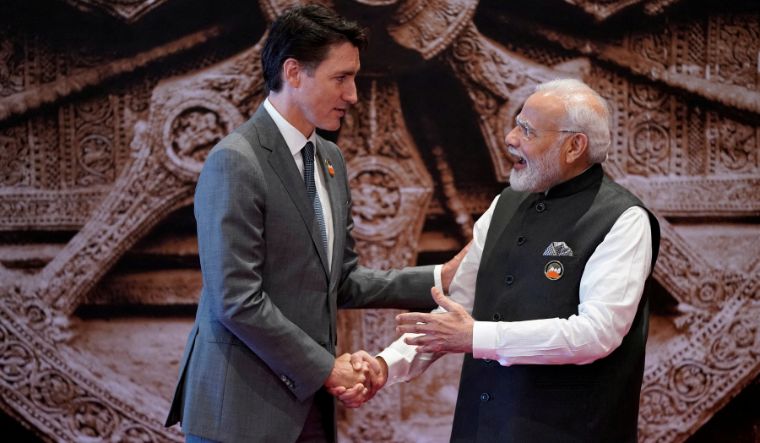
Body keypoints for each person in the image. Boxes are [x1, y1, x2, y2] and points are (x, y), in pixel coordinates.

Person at [164, 5, 463, 442]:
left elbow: (340, 280)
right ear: (294, 72)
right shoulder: (235, 161)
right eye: (341, 78)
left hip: (308, 411)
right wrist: (327, 368)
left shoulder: (330, 160)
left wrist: (441, 277)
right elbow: (236, 299)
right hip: (240, 416)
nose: (353, 95)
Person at [342, 79, 661, 442]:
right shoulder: (504, 205)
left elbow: (596, 334)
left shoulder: (623, 219)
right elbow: (456, 309)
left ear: (574, 146)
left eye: (527, 130)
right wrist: (386, 365)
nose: (510, 138)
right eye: (516, 123)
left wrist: (478, 336)